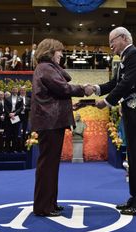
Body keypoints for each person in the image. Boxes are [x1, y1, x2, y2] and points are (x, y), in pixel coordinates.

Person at [91, 27, 136, 215]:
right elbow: (115, 83)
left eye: (112, 41)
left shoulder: (134, 54)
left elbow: (126, 84)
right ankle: (135, 198)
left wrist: (107, 102)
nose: (110, 46)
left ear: (124, 38)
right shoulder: (125, 58)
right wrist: (94, 88)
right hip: (132, 112)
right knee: (133, 158)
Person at [30, 38, 91, 217]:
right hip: (50, 123)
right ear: (50, 51)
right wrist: (83, 89)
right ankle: (43, 207)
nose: (61, 55)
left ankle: (49, 203)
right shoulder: (45, 68)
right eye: (59, 51)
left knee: (50, 165)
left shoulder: (45, 68)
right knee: (48, 165)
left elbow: (57, 89)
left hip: (51, 122)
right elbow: (62, 88)